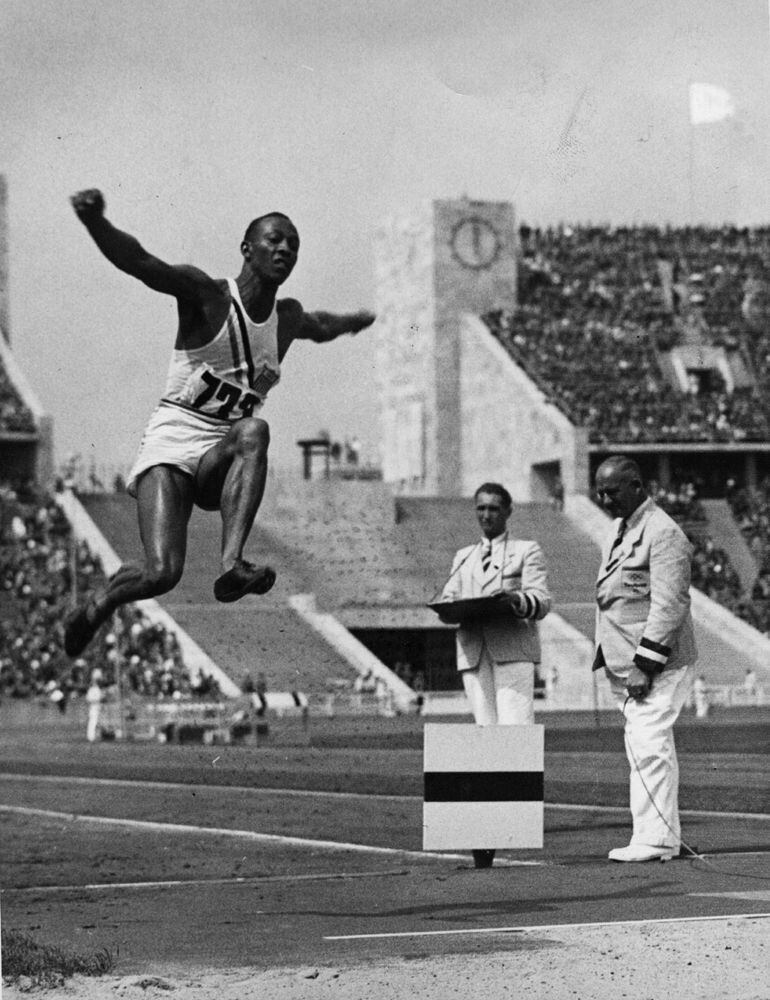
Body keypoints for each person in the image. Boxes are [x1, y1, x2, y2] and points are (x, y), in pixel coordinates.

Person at [64, 189, 375, 657]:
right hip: (174, 442)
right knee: (161, 573)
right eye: (275, 239)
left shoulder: (285, 318)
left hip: (220, 455)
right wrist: (96, 223)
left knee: (254, 430)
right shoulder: (206, 295)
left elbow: (321, 325)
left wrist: (357, 320)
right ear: (247, 249)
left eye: (293, 243)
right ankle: (99, 604)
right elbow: (141, 263)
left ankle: (233, 564)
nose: (285, 249)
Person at [437, 482, 551, 868]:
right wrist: (448, 607)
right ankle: (485, 831)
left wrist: (515, 600)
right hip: (473, 650)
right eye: (481, 509)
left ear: (508, 512)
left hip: (512, 648)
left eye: (494, 509)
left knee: (515, 731)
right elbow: (448, 596)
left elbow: (542, 600)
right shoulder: (464, 556)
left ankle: (504, 821)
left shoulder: (525, 550)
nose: (487, 515)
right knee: (484, 735)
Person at [593, 456, 697, 863]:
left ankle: (656, 840)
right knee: (645, 744)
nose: (603, 499)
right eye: (600, 492)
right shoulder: (618, 530)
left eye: (612, 491)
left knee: (649, 744)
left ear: (637, 486)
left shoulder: (663, 533)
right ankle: (661, 835)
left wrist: (646, 664)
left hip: (658, 662)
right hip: (627, 660)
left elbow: (670, 604)